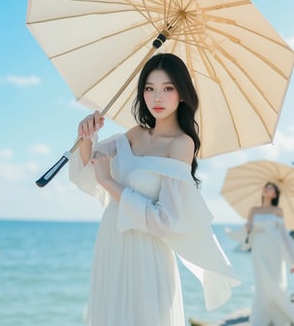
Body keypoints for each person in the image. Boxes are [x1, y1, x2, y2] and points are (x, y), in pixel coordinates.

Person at [69, 53, 239, 326]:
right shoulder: (135, 133)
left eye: (167, 88)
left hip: (147, 252)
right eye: (150, 88)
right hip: (111, 243)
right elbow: (90, 163)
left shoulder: (182, 144)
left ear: (182, 93)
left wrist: (110, 183)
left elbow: (164, 220)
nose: (157, 97)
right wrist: (86, 135)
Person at [246, 182, 294, 326]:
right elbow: (248, 233)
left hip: (275, 250)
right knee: (262, 282)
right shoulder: (253, 210)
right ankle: (261, 319)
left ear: (274, 194)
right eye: (265, 187)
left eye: (270, 188)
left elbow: (284, 235)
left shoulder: (278, 210)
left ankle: (280, 316)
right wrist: (248, 228)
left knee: (275, 281)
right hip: (258, 249)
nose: (266, 189)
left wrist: (292, 260)